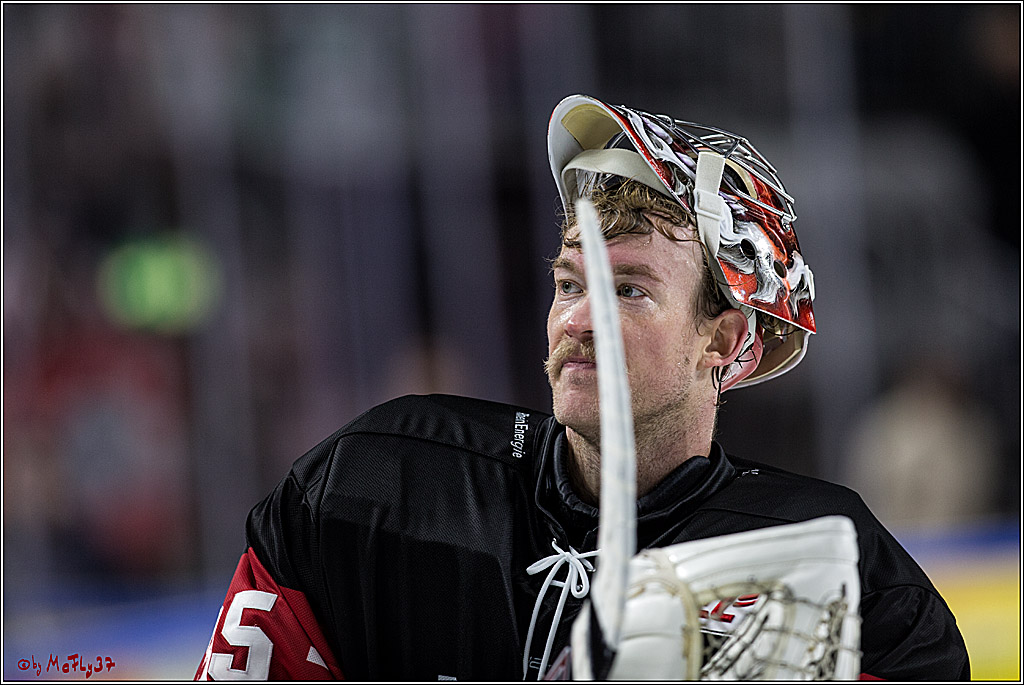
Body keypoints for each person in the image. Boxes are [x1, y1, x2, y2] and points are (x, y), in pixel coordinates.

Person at [194, 95, 969, 681]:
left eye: (627, 291)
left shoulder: (840, 572)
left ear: (725, 340)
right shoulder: (374, 485)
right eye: (571, 281)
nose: (579, 321)